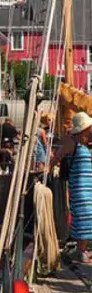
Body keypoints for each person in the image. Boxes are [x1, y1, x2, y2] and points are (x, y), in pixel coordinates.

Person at [50, 111, 92, 264]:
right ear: (85, 128)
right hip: (80, 188)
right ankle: (81, 252)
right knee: (84, 216)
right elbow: (58, 156)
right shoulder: (72, 142)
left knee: (88, 218)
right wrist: (48, 169)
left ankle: (82, 250)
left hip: (88, 188)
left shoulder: (84, 142)